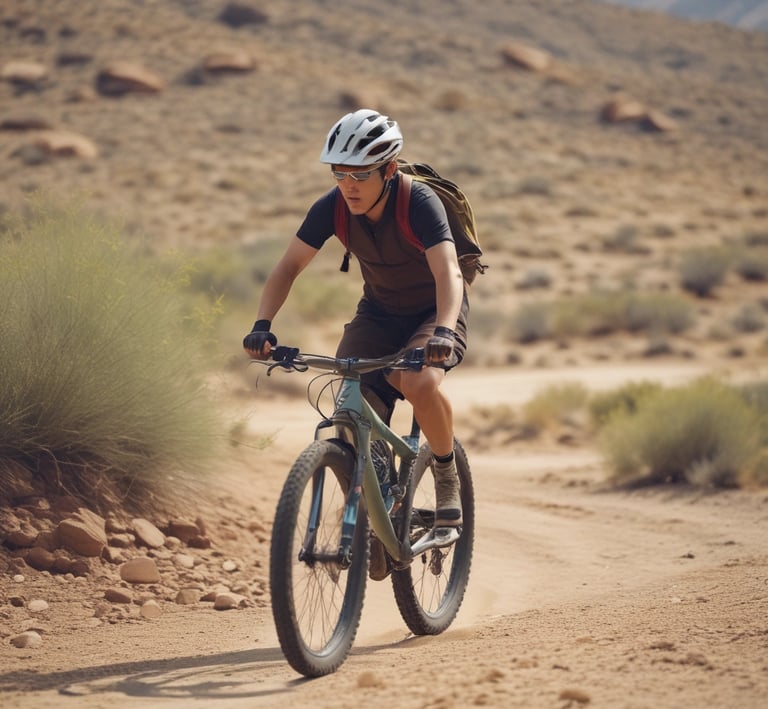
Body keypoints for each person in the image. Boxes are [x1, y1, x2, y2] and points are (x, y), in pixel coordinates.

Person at [243, 108, 470, 576]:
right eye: (339, 172)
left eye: (360, 175)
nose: (348, 185)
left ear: (389, 169)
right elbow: (288, 268)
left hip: (434, 310)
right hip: (380, 312)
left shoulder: (419, 203)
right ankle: (378, 506)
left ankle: (445, 473)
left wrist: (444, 329)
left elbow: (448, 273)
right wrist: (262, 324)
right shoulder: (332, 206)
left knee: (417, 382)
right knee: (348, 401)